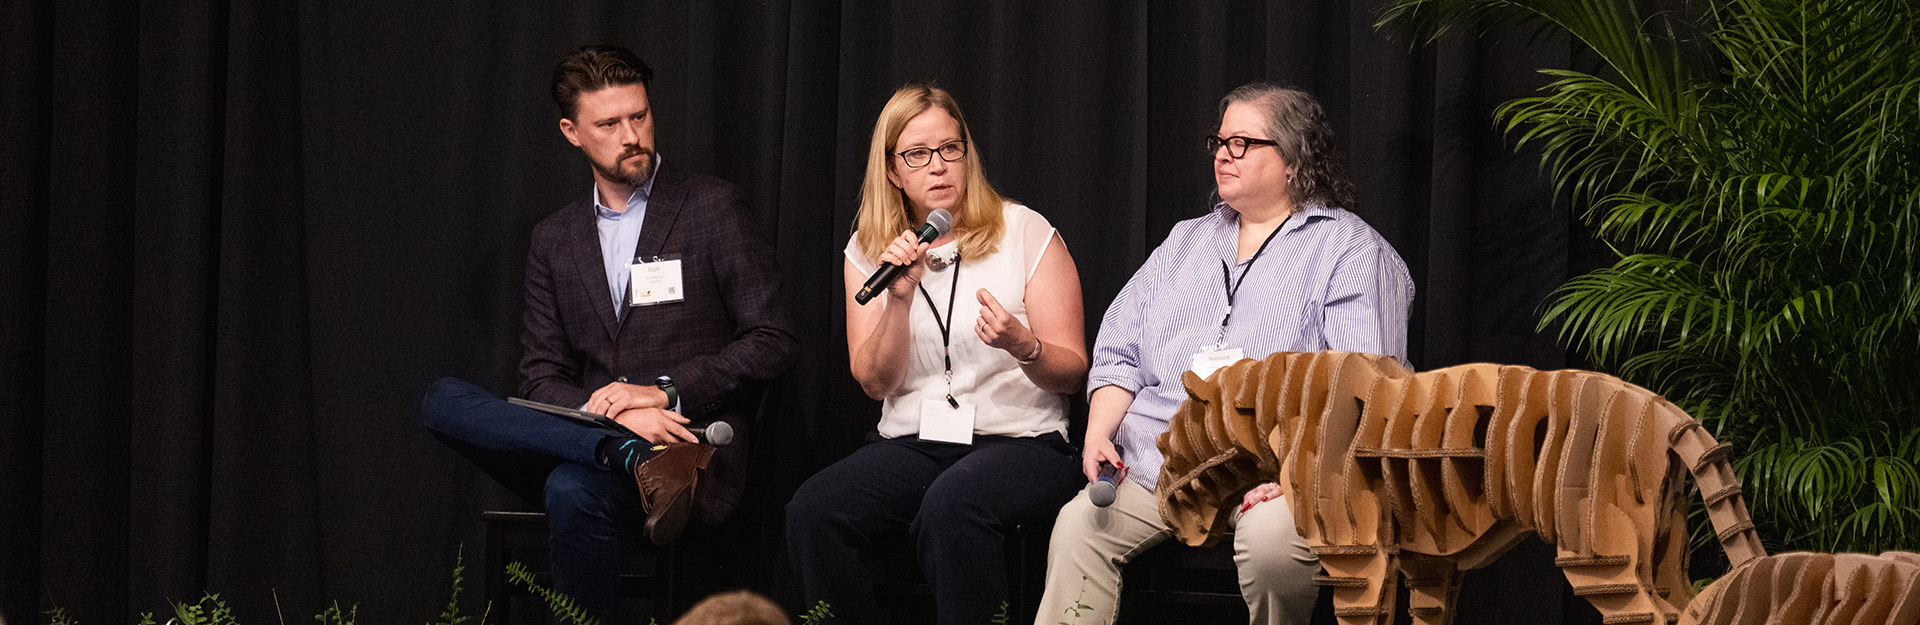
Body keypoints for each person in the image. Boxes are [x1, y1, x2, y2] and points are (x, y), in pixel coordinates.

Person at [420, 44, 796, 621]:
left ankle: (626, 454)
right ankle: (622, 452)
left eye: (639, 116)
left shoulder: (710, 207)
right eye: (610, 123)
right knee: (442, 400)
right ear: (572, 132)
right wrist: (619, 420)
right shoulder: (554, 239)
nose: (632, 135)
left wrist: (664, 393)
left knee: (570, 492)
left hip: (686, 452)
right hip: (595, 441)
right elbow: (542, 378)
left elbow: (772, 339)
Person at [1034, 83, 1415, 625]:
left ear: (1293, 159)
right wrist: (1099, 433)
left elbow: (1366, 392)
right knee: (1079, 528)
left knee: (1271, 545)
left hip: (1279, 469)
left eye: (1242, 143)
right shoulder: (1185, 241)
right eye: (1219, 140)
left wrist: (1295, 476)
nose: (1222, 154)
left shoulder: (1350, 251)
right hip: (1161, 461)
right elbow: (1119, 349)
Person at [785, 84, 1088, 625]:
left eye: (951, 149)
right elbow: (875, 383)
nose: (938, 167)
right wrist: (897, 301)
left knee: (953, 506)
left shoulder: (1023, 230)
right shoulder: (869, 249)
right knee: (814, 511)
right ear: (893, 171)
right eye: (917, 155)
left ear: (967, 154)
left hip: (1024, 442)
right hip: (915, 443)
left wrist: (1026, 346)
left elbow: (1071, 373)